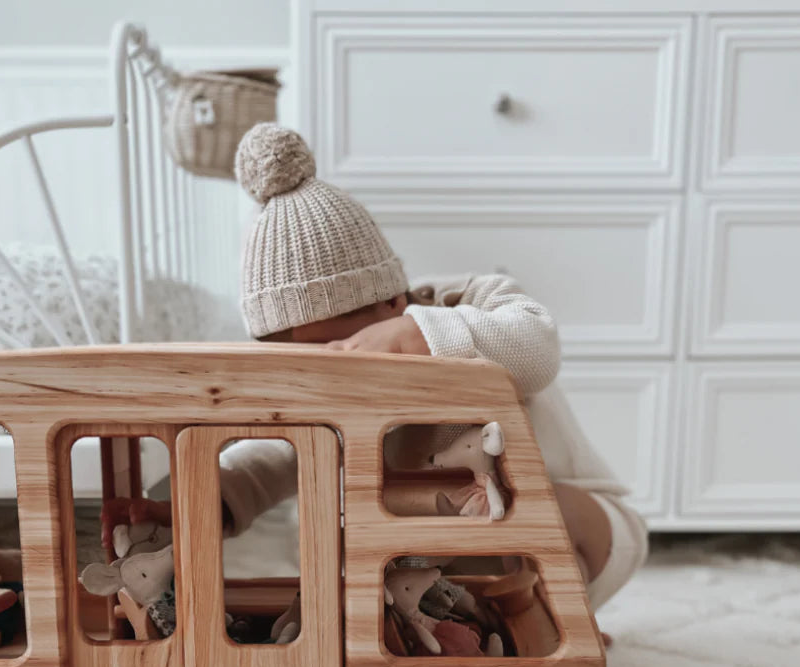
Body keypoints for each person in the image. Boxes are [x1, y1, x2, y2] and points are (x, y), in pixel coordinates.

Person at [104, 124, 647, 613]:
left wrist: (418, 335)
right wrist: (199, 503)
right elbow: (276, 455)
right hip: (445, 558)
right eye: (305, 366)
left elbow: (537, 347)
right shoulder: (324, 383)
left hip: (582, 530)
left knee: (527, 509)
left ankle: (560, 615)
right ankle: (476, 625)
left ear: (392, 302)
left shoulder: (469, 303)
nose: (328, 376)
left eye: (341, 348)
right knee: (375, 565)